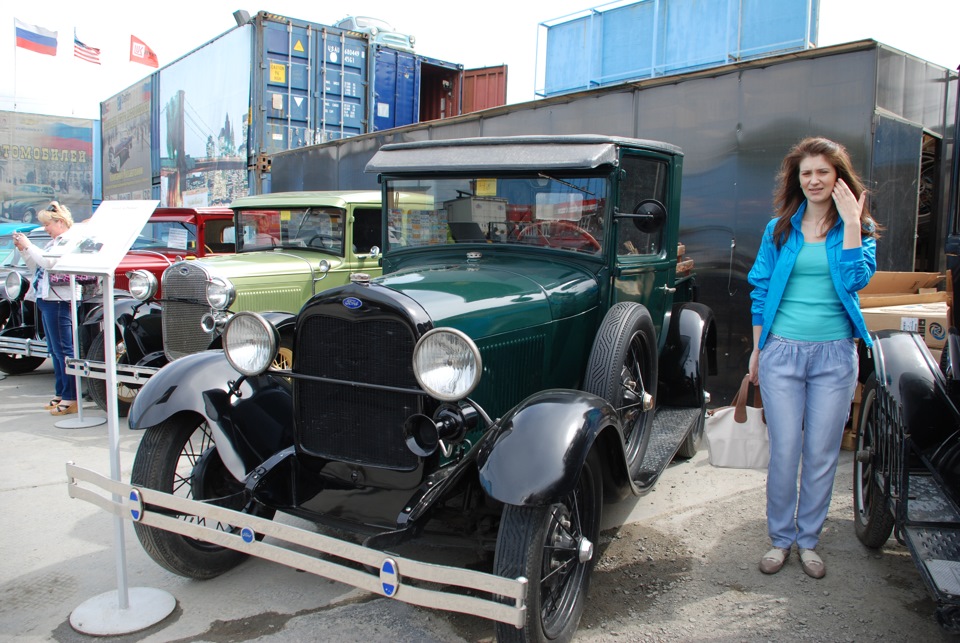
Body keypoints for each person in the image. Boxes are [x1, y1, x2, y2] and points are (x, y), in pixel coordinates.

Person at [747, 137, 881, 579]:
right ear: (797, 179)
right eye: (806, 173)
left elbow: (855, 280)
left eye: (823, 171)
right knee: (786, 450)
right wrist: (756, 348)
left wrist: (852, 223)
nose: (814, 180)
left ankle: (808, 541)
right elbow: (761, 289)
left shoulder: (857, 229)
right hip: (782, 351)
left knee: (822, 452)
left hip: (835, 355)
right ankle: (780, 538)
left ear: (838, 176)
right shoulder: (779, 229)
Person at [13, 201, 80, 416]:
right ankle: (62, 393)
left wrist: (29, 246)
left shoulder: (68, 241)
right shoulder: (55, 242)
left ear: (59, 222)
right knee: (56, 350)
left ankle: (70, 396)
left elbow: (48, 263)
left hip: (59, 300)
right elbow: (38, 265)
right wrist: (25, 250)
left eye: (47, 224)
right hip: (49, 299)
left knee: (63, 350)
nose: (45, 229)